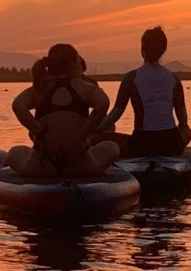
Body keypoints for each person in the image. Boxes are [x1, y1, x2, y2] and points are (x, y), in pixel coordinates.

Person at [9, 44, 121, 183]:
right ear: (74, 62)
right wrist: (81, 137)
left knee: (15, 151)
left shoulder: (40, 88)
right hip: (79, 164)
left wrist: (41, 133)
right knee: (112, 147)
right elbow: (103, 103)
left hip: (42, 166)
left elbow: (18, 106)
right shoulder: (85, 88)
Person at [108, 26, 191, 159]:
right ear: (163, 50)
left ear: (143, 50)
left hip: (142, 144)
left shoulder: (132, 77)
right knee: (188, 132)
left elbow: (117, 112)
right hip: (171, 143)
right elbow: (183, 119)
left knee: (101, 136)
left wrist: (95, 129)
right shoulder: (173, 78)